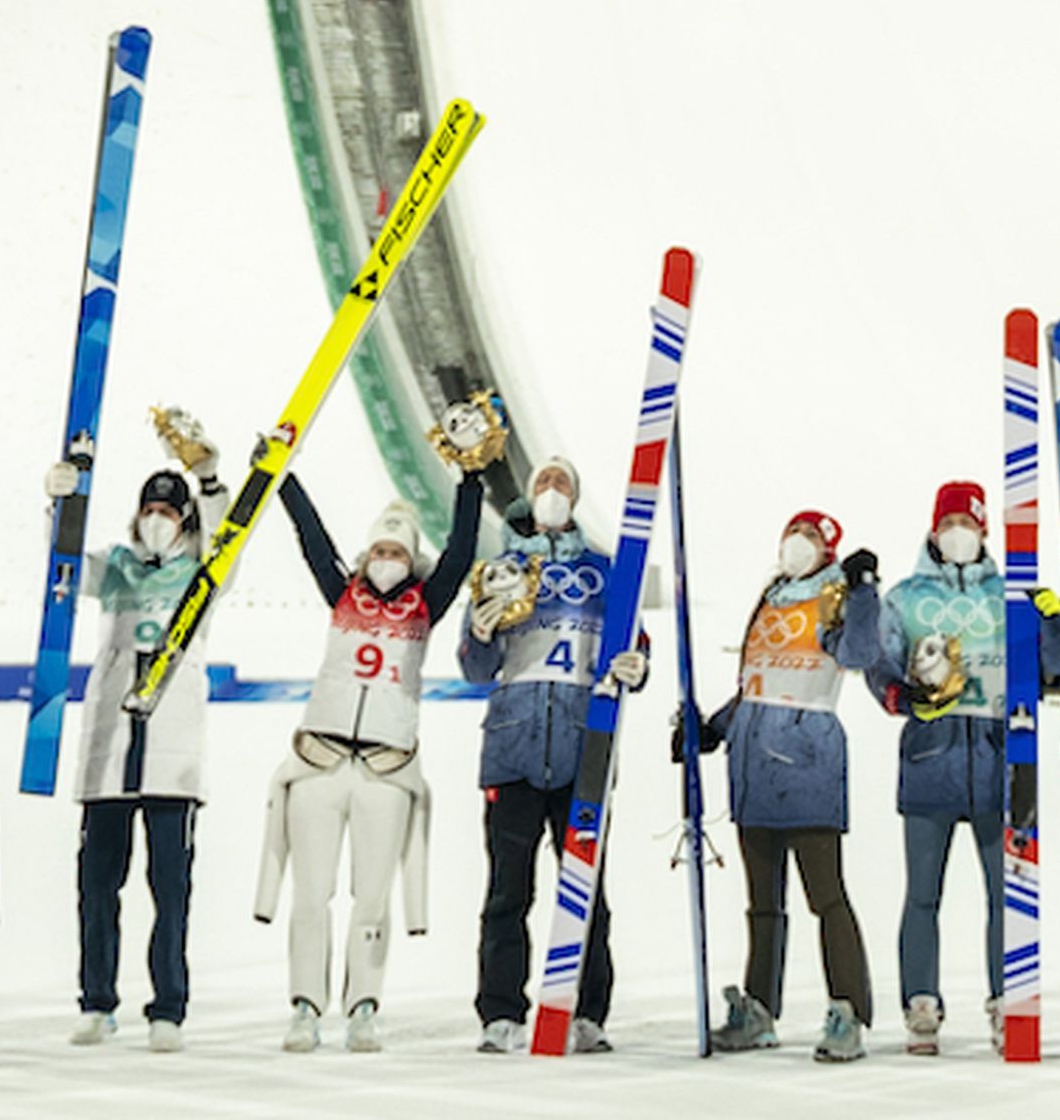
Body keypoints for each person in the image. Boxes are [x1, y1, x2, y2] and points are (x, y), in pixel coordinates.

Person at [262, 435, 490, 1052]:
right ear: (367, 555)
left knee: (371, 897)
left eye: (398, 551)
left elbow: (463, 551)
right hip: (321, 762)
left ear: (410, 560)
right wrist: (283, 477)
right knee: (311, 893)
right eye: (380, 549)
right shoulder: (341, 590)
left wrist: (471, 482)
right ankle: (305, 1006)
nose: (387, 558)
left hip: (387, 770)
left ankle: (363, 1003)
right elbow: (312, 538)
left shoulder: (424, 603)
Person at [855, 481, 1060, 1055]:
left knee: (1004, 895)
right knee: (922, 893)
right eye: (948, 522)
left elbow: (1058, 665)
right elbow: (877, 665)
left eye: (968, 523)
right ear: (934, 531)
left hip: (998, 760)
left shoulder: (1011, 593)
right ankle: (921, 1005)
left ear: (984, 532)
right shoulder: (904, 597)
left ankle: (1008, 1003)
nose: (958, 532)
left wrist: (1054, 621)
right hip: (930, 757)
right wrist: (903, 699)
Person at [459, 455, 649, 1053]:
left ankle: (587, 1010)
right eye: (543, 482)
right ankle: (500, 1011)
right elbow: (473, 667)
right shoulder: (500, 569)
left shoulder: (604, 571)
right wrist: (481, 633)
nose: (551, 492)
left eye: (562, 483)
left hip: (581, 750)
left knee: (586, 889)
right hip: (514, 749)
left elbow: (632, 643)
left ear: (575, 497)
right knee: (508, 891)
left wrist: (636, 665)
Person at [676, 512, 876, 1062]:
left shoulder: (835, 595)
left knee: (825, 894)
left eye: (812, 537)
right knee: (761, 902)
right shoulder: (773, 596)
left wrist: (863, 594)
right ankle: (759, 1008)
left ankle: (848, 1011)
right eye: (795, 533)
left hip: (807, 752)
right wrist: (712, 728)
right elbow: (757, 680)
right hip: (753, 758)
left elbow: (860, 655)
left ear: (828, 548)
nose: (798, 544)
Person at [64, 413, 228, 1052]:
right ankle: (97, 1001)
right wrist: (62, 499)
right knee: (98, 885)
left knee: (171, 889)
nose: (157, 519)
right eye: (150, 509)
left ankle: (169, 1006)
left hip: (171, 757)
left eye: (171, 510)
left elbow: (229, 537)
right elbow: (64, 564)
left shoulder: (202, 575)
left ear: (185, 520)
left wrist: (209, 478)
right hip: (110, 751)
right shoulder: (117, 568)